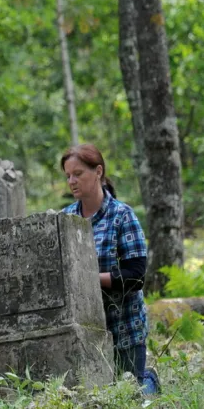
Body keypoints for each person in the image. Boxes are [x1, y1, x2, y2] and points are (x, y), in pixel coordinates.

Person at [60, 144, 160, 395]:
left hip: (124, 327)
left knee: (128, 394)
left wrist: (89, 280)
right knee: (91, 396)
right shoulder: (65, 219)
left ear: (98, 172)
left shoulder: (122, 216)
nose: (72, 181)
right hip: (83, 329)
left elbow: (136, 276)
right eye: (68, 175)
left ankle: (148, 380)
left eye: (78, 173)